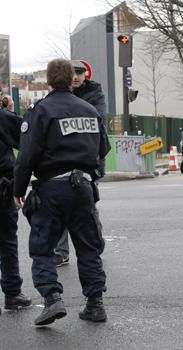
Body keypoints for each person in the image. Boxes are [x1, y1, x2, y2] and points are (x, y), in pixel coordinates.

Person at [13, 58, 111, 325]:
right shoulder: (90, 110)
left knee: (43, 247)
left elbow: (27, 155)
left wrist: (18, 189)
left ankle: (52, 299)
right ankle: (95, 304)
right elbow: (103, 149)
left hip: (52, 187)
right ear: (71, 80)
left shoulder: (41, 110)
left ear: (47, 81)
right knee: (88, 247)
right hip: (84, 188)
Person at [53, 60, 107, 268]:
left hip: (86, 159)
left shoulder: (94, 94)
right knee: (62, 208)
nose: (76, 77)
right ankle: (61, 252)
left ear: (86, 75)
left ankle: (95, 243)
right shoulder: (60, 95)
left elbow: (98, 123)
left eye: (80, 73)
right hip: (65, 158)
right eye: (72, 73)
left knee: (87, 206)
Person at [0, 97, 32, 315]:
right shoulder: (3, 118)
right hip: (2, 188)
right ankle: (12, 292)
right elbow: (26, 140)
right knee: (7, 240)